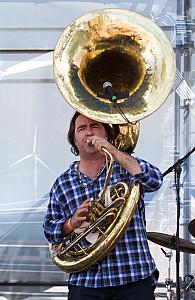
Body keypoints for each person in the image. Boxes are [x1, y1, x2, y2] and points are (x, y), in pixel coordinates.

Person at [43, 111, 163, 300]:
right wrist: (71, 223)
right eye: (82, 128)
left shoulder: (126, 166)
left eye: (95, 126)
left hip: (134, 277)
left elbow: (155, 180)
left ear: (107, 134)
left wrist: (114, 151)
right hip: (87, 282)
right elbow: (50, 230)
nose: (89, 132)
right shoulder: (63, 183)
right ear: (74, 140)